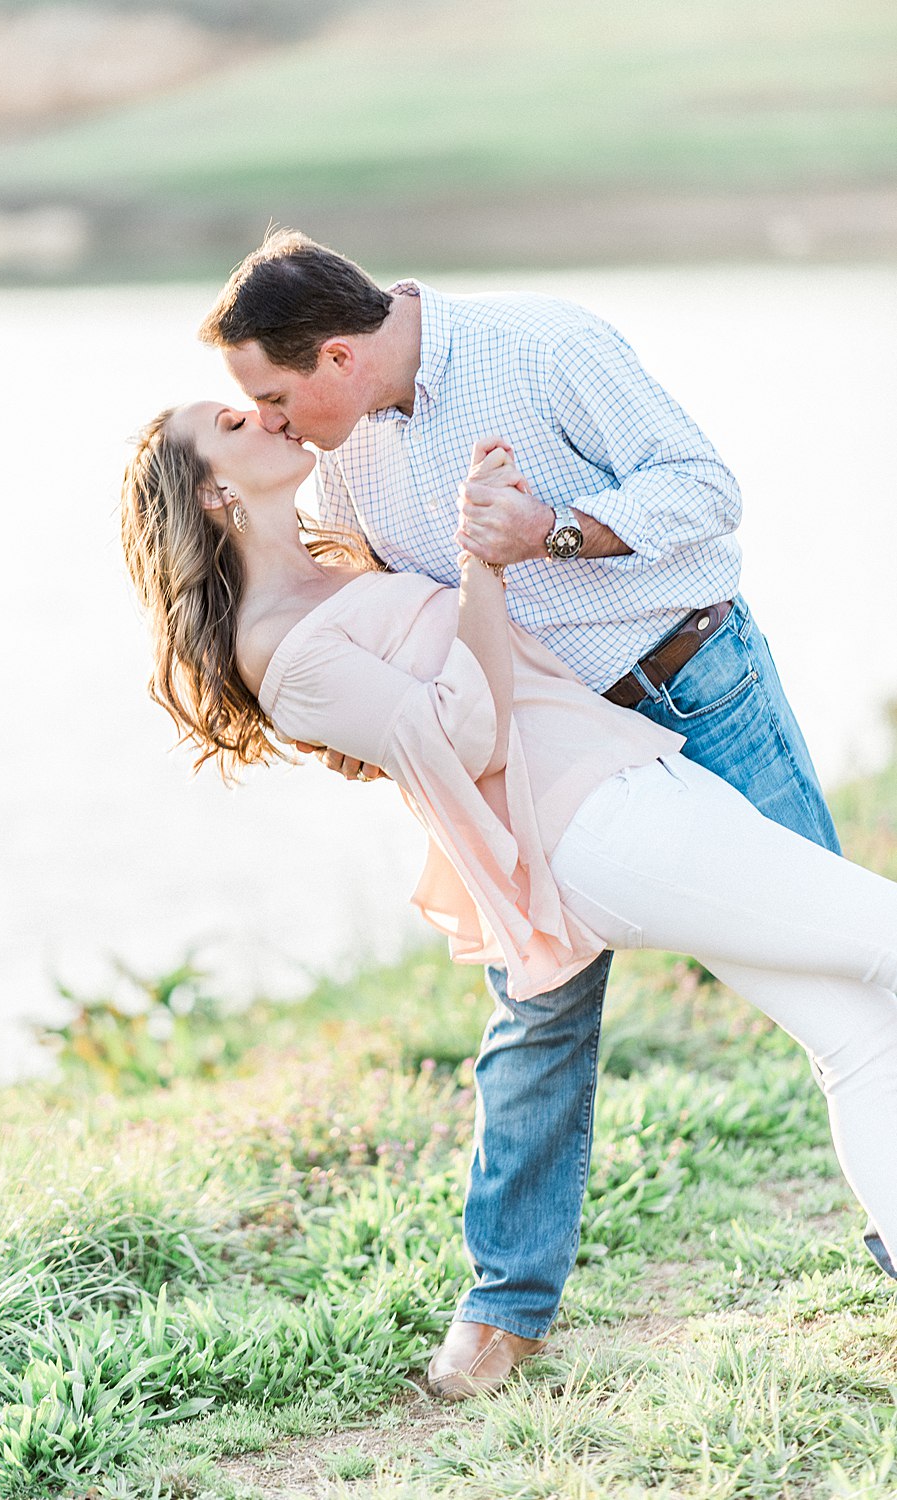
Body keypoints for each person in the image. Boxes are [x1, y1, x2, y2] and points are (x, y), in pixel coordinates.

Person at [190, 233, 893, 1396]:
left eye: (271, 396)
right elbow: (391, 638)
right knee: (536, 1025)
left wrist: (548, 534)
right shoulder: (349, 455)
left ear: (333, 356)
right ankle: (504, 1308)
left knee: (846, 979)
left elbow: (703, 493)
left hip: (692, 682)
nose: (273, 424)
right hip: (551, 781)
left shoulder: (542, 346)